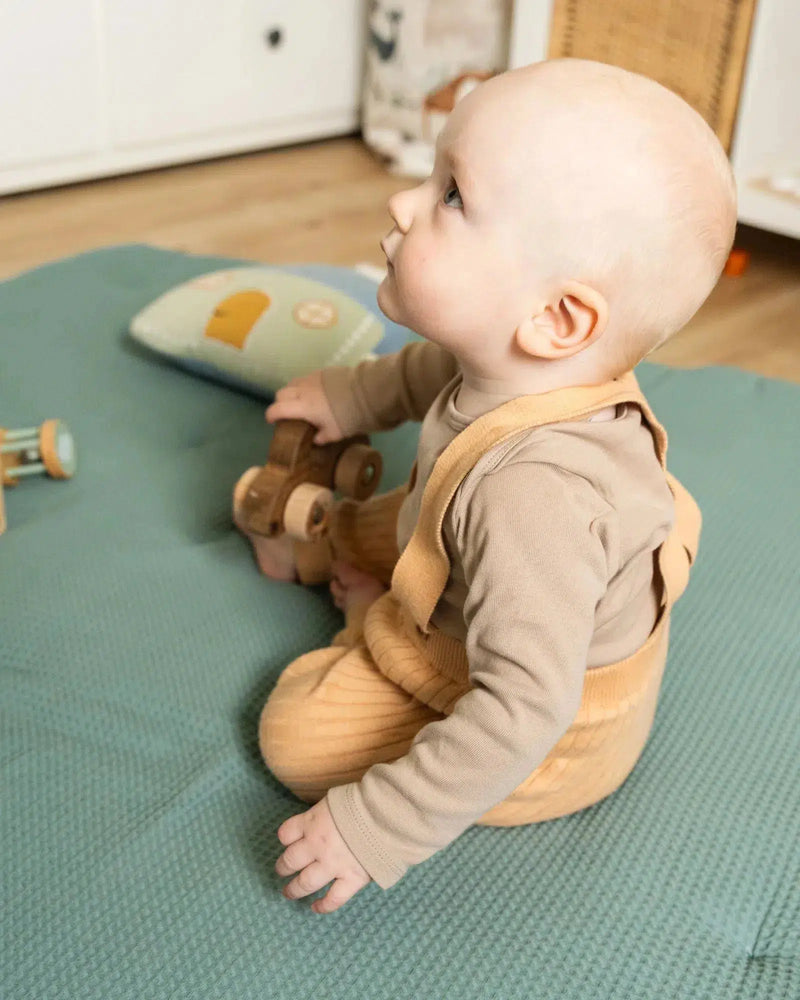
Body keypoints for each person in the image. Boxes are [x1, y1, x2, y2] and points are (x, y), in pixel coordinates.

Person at [235, 58, 737, 914]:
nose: (402, 204)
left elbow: (523, 711)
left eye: (451, 196)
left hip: (545, 726)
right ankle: (335, 560)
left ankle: (370, 622)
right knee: (393, 521)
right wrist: (350, 396)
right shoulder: (521, 360)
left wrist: (376, 825)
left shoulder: (533, 500)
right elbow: (432, 369)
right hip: (501, 577)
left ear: (556, 318)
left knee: (295, 733)